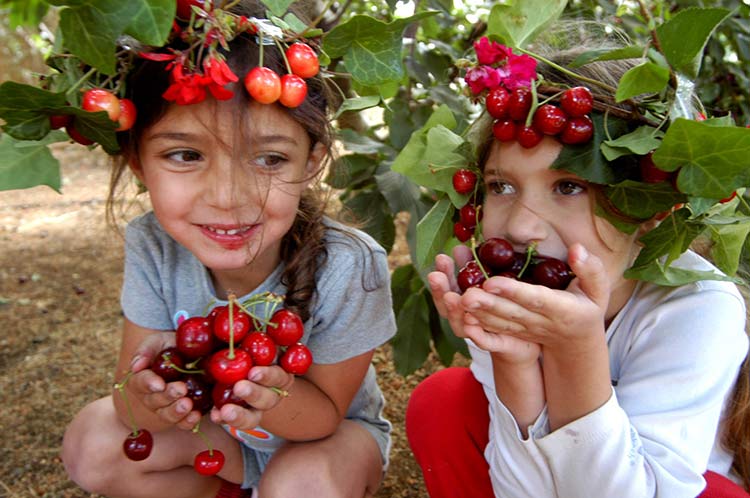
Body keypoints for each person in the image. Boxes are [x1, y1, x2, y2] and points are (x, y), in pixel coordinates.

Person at [59, 1, 397, 497]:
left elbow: (324, 416)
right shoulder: (152, 243)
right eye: (186, 154)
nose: (227, 196)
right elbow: (127, 403)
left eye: (269, 158)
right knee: (93, 445)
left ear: (312, 162)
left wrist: (267, 398)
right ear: (137, 162)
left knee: (302, 483)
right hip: (215, 438)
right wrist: (144, 400)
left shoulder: (351, 263)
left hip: (322, 440)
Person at [405, 26, 750, 498]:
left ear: (649, 209)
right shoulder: (503, 290)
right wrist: (515, 362)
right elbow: (518, 491)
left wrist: (576, 350)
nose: (523, 229)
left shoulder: (698, 307)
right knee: (444, 403)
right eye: (501, 186)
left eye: (569, 187)